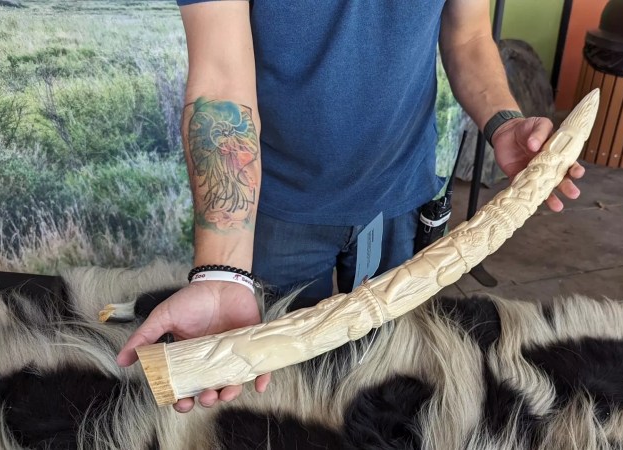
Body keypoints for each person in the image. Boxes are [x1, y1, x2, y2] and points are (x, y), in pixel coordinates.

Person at [117, 0, 585, 413]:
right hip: (276, 210)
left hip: (401, 197)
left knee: (389, 375)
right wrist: (222, 274)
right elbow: (220, 85)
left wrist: (503, 122)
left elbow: (469, 36)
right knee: (275, 391)